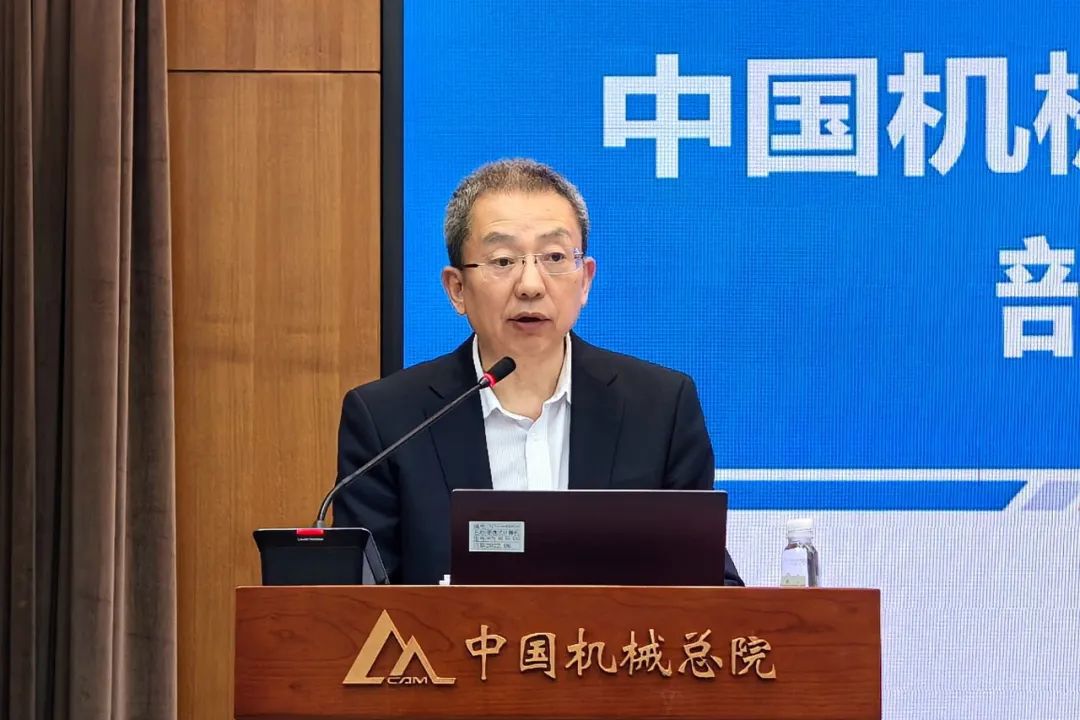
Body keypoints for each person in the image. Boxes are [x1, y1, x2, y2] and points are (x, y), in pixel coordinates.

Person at [334, 158, 743, 585]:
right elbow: (358, 604)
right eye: (502, 260)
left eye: (554, 257)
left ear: (585, 280)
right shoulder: (390, 421)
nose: (530, 285)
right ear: (457, 289)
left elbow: (710, 588)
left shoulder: (659, 408)